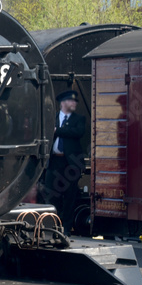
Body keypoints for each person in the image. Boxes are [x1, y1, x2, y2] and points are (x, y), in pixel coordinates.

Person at [44, 89, 86, 231]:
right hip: (55, 162)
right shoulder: (53, 119)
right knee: (51, 195)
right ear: (63, 103)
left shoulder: (79, 119)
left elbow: (78, 132)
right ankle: (53, 225)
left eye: (75, 101)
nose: (74, 103)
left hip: (70, 164)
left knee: (69, 196)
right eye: (71, 100)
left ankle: (66, 227)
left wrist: (58, 130)